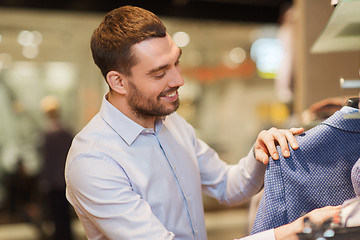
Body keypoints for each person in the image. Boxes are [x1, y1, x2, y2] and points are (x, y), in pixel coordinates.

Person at [65, 5, 336, 240]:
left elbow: (227, 186)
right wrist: (284, 234)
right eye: (160, 73)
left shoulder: (172, 124)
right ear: (118, 82)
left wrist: (260, 153)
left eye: (176, 63)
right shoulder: (92, 161)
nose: (178, 80)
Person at [40, 96, 74, 240]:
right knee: (65, 215)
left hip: (54, 181)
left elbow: (47, 160)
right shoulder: (66, 132)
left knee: (57, 215)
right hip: (64, 179)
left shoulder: (48, 134)